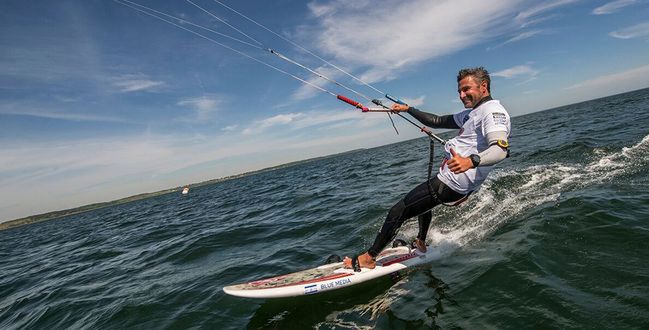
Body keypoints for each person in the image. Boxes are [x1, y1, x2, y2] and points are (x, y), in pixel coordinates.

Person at [344, 67, 511, 271]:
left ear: (483, 86)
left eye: (466, 89)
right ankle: (421, 243)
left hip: (453, 183)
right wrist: (408, 109)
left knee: (399, 210)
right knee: (424, 203)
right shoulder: (472, 113)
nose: (461, 95)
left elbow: (500, 150)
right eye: (459, 91)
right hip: (450, 178)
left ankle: (369, 258)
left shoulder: (492, 112)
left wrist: (471, 161)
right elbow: (438, 121)